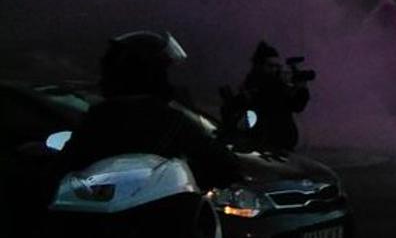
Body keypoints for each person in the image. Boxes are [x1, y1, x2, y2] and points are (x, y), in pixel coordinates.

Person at [61, 30, 240, 191]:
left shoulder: (98, 117)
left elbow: (65, 167)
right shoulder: (170, 121)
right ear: (151, 73)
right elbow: (226, 166)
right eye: (164, 72)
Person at [240, 41, 309, 151]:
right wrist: (292, 87)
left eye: (277, 66)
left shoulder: (274, 85)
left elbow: (296, 105)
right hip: (267, 147)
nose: (275, 70)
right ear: (259, 66)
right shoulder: (257, 85)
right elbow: (290, 105)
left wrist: (301, 88)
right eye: (270, 66)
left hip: (276, 147)